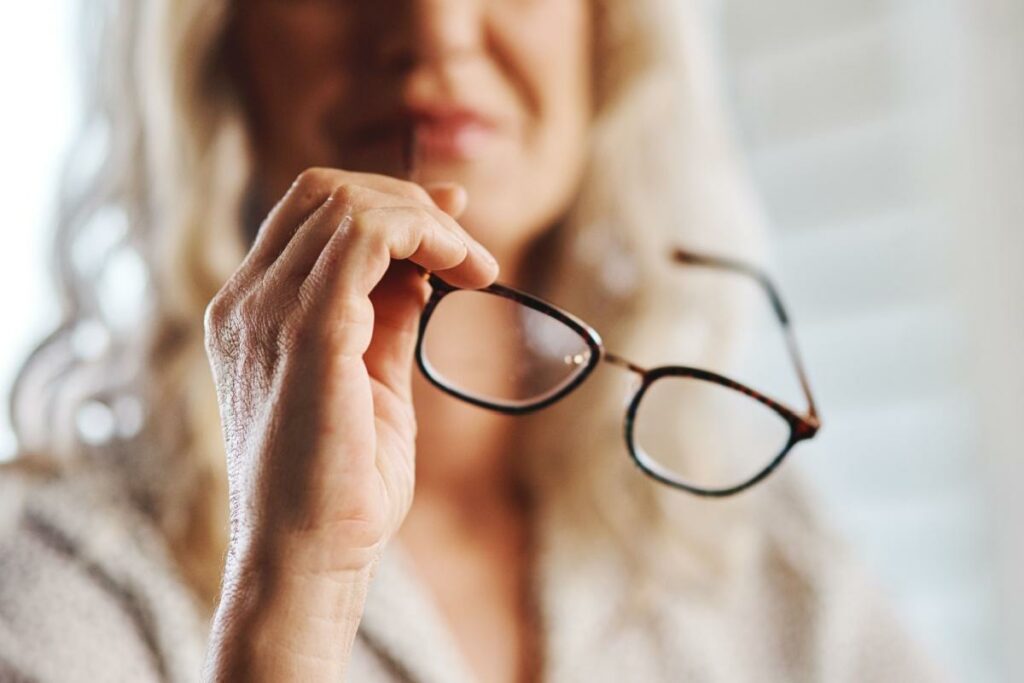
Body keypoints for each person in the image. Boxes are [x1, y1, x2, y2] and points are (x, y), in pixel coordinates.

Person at [0, 0, 943, 681]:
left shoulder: (750, 553)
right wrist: (289, 595)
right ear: (219, 43)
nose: (436, 30)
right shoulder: (63, 583)